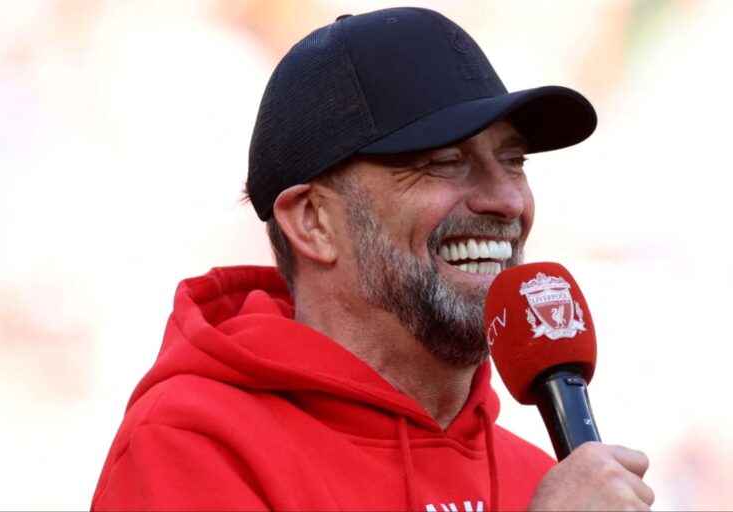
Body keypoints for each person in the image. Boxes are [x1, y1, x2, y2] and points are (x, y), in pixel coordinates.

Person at [92, 7, 653, 511]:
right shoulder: (193, 446)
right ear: (314, 220)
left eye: (512, 160)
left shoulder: (541, 477)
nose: (506, 200)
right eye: (443, 161)